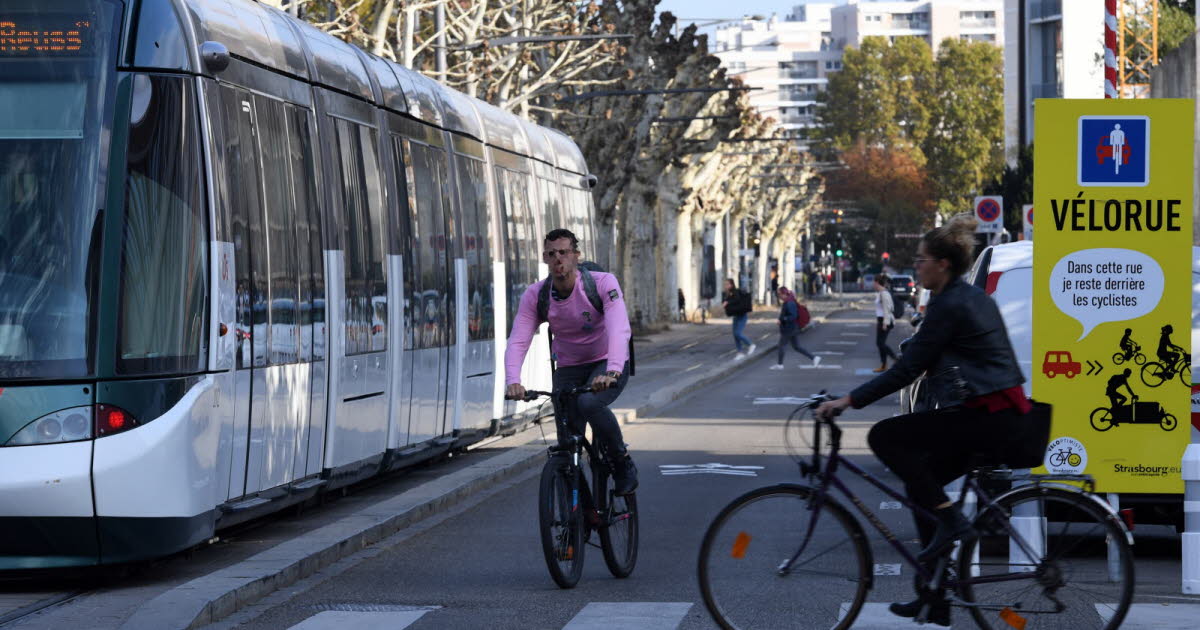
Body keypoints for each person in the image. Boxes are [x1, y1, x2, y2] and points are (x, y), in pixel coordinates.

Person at [816, 213, 1031, 627]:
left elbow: (906, 369)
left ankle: (953, 524)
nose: (916, 266)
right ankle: (934, 596)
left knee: (887, 437)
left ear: (942, 264)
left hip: (990, 416)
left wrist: (847, 401)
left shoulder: (951, 304)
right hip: (991, 412)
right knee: (922, 486)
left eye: (921, 260)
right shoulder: (958, 299)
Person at [504, 229, 637, 495]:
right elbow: (519, 339)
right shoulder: (537, 295)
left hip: (607, 363)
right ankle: (579, 513)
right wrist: (513, 381)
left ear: (576, 255)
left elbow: (619, 328)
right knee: (567, 443)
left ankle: (622, 462)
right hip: (569, 368)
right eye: (551, 254)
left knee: (588, 403)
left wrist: (612, 371)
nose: (558, 259)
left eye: (564, 252)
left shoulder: (602, 283)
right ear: (544, 258)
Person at [770, 287, 820, 370]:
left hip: (789, 328)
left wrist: (782, 320)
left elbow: (793, 316)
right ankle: (814, 358)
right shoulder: (789, 301)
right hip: (793, 328)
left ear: (784, 294)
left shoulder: (789, 303)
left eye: (780, 294)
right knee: (797, 347)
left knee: (781, 346)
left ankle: (780, 365)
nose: (779, 296)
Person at [721, 279, 756, 359]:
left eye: (727, 284)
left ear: (731, 285)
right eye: (725, 284)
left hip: (742, 315)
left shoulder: (735, 291)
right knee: (735, 334)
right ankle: (739, 352)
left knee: (738, 333)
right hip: (736, 316)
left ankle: (750, 344)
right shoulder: (727, 293)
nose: (725, 286)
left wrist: (727, 302)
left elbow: (737, 300)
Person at [873, 274, 899, 373]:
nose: (873, 285)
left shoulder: (884, 294)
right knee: (880, 343)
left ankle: (895, 359)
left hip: (885, 320)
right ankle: (884, 364)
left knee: (880, 343)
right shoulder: (880, 293)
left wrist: (885, 323)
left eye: (874, 283)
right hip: (881, 320)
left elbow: (887, 309)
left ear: (876, 283)